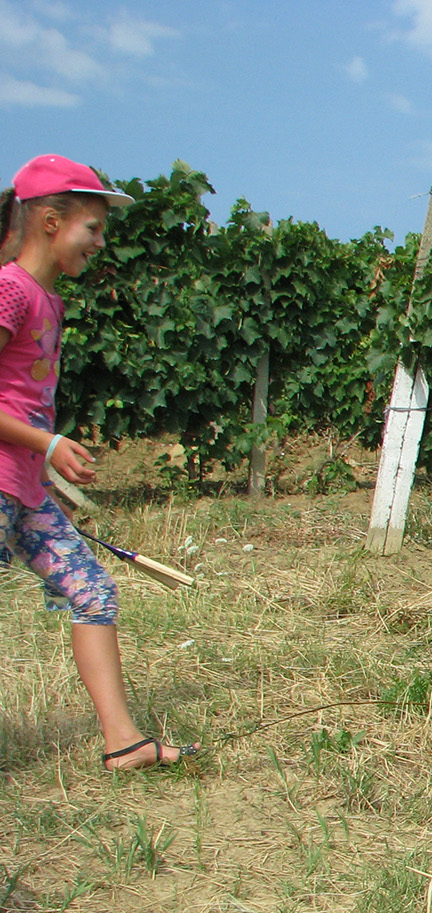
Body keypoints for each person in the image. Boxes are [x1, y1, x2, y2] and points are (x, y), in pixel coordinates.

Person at [0, 155, 198, 772]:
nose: (101, 242)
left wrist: (41, 471)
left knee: (91, 590)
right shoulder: (9, 290)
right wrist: (48, 447)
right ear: (52, 222)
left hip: (22, 490)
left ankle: (123, 743)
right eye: (94, 226)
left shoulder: (48, 302)